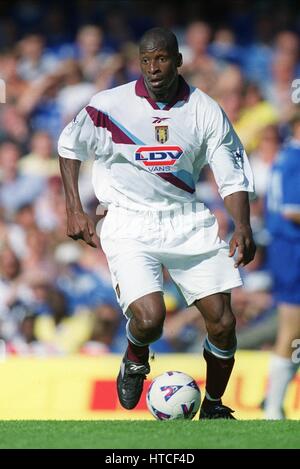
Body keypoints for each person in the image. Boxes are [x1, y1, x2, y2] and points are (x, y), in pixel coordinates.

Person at [58, 27, 256, 419]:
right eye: (146, 60)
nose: (153, 68)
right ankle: (135, 357)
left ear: (179, 60)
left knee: (223, 322)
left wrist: (243, 225)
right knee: (150, 319)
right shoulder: (108, 105)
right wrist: (74, 209)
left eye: (162, 59)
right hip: (129, 221)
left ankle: (214, 407)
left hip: (185, 218)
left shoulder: (204, 109)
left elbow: (231, 174)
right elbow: (69, 146)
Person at [264, 114, 300, 419]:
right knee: (293, 327)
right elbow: (293, 211)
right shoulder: (296, 158)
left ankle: (273, 402)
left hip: (285, 248)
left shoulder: (285, 156)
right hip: (292, 248)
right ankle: (273, 406)